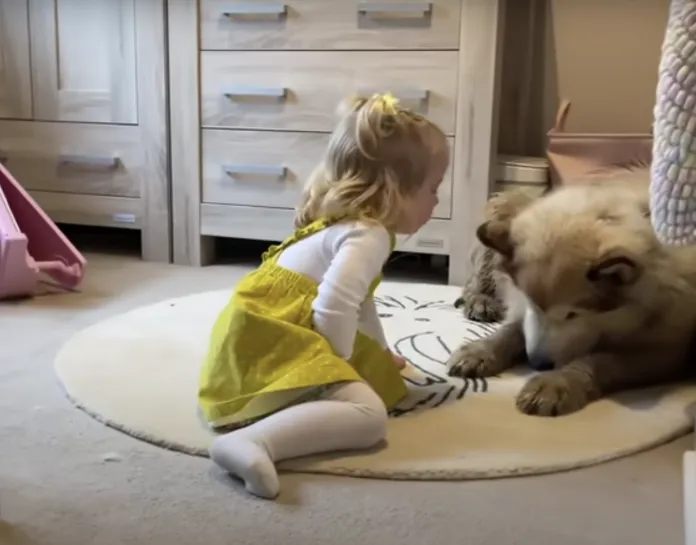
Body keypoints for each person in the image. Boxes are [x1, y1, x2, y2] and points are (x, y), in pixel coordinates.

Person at [198, 93, 450, 499]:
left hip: (256, 337)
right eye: (433, 189)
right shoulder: (368, 237)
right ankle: (254, 441)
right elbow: (333, 307)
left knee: (366, 378)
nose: (437, 200)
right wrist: (339, 369)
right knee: (369, 417)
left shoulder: (353, 225)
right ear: (397, 190)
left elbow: (358, 305)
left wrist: (381, 357)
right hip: (272, 341)